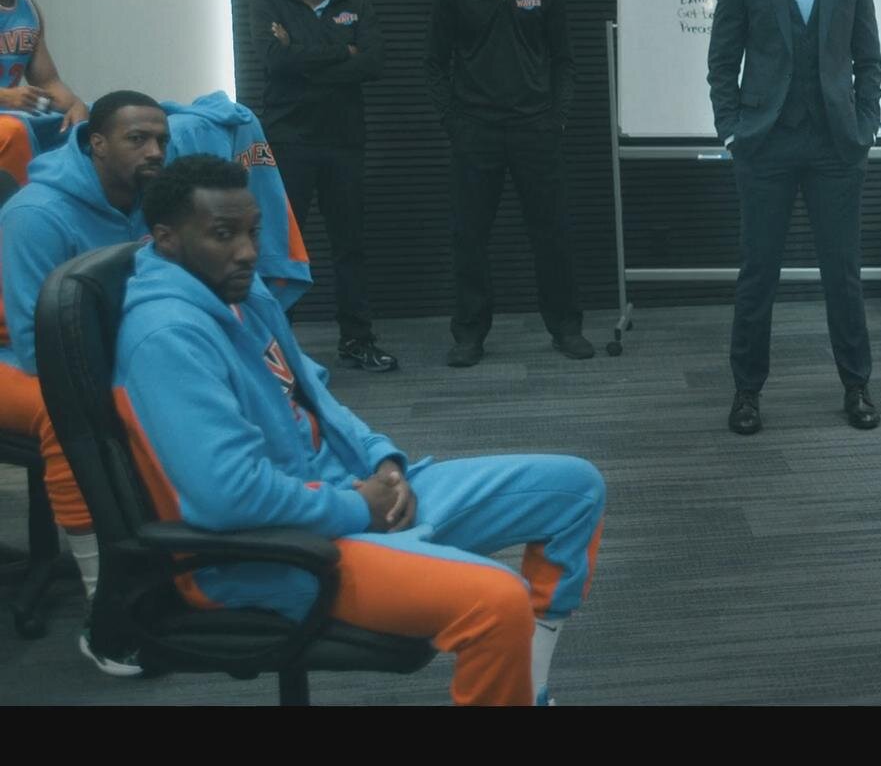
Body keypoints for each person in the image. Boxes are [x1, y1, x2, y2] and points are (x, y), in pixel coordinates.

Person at [116, 155, 607, 706]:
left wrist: (382, 461)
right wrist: (357, 508)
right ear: (166, 239)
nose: (248, 251)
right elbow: (228, 496)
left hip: (345, 494)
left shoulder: (241, 294)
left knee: (575, 489)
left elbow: (317, 397)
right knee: (499, 601)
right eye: (223, 235)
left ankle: (529, 691)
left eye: (253, 232)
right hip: (273, 552)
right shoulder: (168, 336)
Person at [706, 0, 881, 436]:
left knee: (843, 273)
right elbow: (722, 58)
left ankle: (856, 385)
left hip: (836, 145)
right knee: (758, 273)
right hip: (765, 142)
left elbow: (869, 58)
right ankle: (746, 392)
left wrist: (865, 126)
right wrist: (731, 129)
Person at [0, 90, 167, 673]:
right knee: (69, 408)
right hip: (16, 355)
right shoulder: (36, 215)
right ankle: (106, 608)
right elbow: (34, 345)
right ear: (96, 144)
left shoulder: (148, 198)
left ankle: (183, 561)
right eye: (137, 139)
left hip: (94, 349)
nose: (155, 151)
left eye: (161, 140)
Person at [426, 0, 593, 367]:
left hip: (534, 130)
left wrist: (556, 118)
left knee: (552, 233)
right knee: (470, 236)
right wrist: (453, 122)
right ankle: (469, 334)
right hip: (476, 131)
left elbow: (564, 62)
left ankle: (566, 328)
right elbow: (435, 65)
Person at [247, 0, 395, 371]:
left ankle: (357, 340)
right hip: (289, 142)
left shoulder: (354, 4)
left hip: (344, 142)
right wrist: (341, 52)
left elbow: (372, 63)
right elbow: (274, 61)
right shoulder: (267, 6)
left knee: (350, 245)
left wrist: (301, 53)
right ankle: (280, 349)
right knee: (284, 248)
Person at [0, 0, 90, 183]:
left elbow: (48, 81)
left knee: (100, 120)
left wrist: (76, 105)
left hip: (11, 112)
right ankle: (22, 208)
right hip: (8, 118)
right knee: (14, 132)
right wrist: (6, 97)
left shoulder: (29, 9)